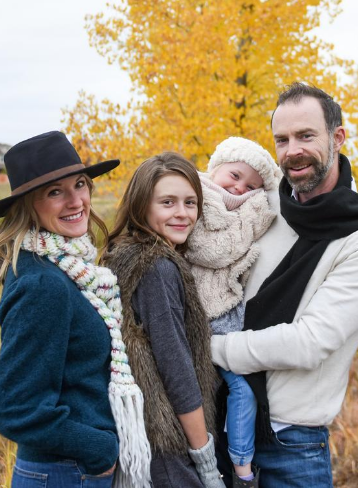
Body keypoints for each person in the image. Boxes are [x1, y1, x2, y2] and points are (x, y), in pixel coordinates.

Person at [209, 83, 358, 487]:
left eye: (306, 136)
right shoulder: (263, 204)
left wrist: (206, 347)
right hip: (217, 418)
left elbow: (308, 343)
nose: (292, 151)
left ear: (337, 137)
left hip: (290, 444)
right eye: (282, 140)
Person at [0, 131, 143, 488]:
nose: (75, 201)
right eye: (55, 192)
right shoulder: (44, 284)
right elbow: (14, 409)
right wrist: (101, 449)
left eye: (80, 185)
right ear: (28, 206)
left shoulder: (68, 270)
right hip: (66, 473)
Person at [102, 153, 229, 488]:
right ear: (142, 205)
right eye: (168, 202)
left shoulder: (123, 255)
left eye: (190, 202)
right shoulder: (157, 268)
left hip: (148, 439)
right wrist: (204, 459)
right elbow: (176, 369)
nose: (183, 213)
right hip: (170, 442)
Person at [182, 137, 285, 484]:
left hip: (225, 313)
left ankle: (226, 461)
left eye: (251, 186)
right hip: (207, 314)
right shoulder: (198, 198)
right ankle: (241, 468)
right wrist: (252, 217)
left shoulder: (237, 209)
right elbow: (211, 251)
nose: (240, 187)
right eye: (235, 175)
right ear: (217, 167)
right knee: (239, 386)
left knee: (229, 390)